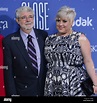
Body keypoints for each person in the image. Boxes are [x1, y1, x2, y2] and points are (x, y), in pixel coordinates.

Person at [44, 6, 97, 96]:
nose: (60, 24)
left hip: (74, 83)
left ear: (72, 22)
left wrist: (95, 82)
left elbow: (88, 61)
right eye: (58, 20)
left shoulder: (80, 38)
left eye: (64, 21)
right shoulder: (49, 39)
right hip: (52, 83)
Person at [3, 6, 48, 96]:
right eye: (23, 17)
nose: (28, 20)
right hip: (22, 92)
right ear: (17, 21)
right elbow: (8, 73)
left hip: (44, 90)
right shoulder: (9, 41)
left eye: (30, 16)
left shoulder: (43, 35)